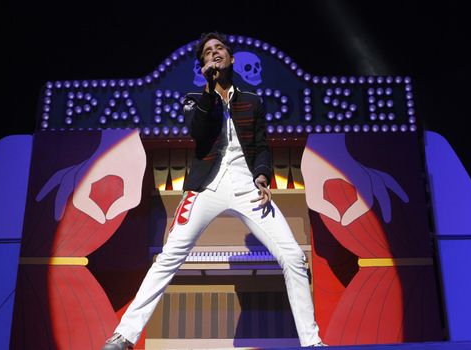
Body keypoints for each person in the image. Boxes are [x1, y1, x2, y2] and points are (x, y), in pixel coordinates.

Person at [102, 32, 326, 349]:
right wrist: (210, 90)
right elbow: (200, 132)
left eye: (219, 49)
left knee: (291, 255)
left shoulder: (253, 101)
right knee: (168, 258)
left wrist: (262, 177)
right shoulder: (195, 99)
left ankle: (312, 342)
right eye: (208, 52)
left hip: (247, 183)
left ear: (231, 58)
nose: (214, 53)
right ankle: (124, 335)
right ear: (203, 65)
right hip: (206, 185)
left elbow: (262, 147)